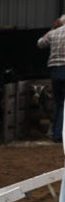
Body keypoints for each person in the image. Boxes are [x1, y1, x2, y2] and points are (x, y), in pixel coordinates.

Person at [37, 14, 65, 143]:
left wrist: (53, 28)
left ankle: (57, 135)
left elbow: (40, 43)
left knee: (59, 104)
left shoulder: (54, 33)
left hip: (55, 71)